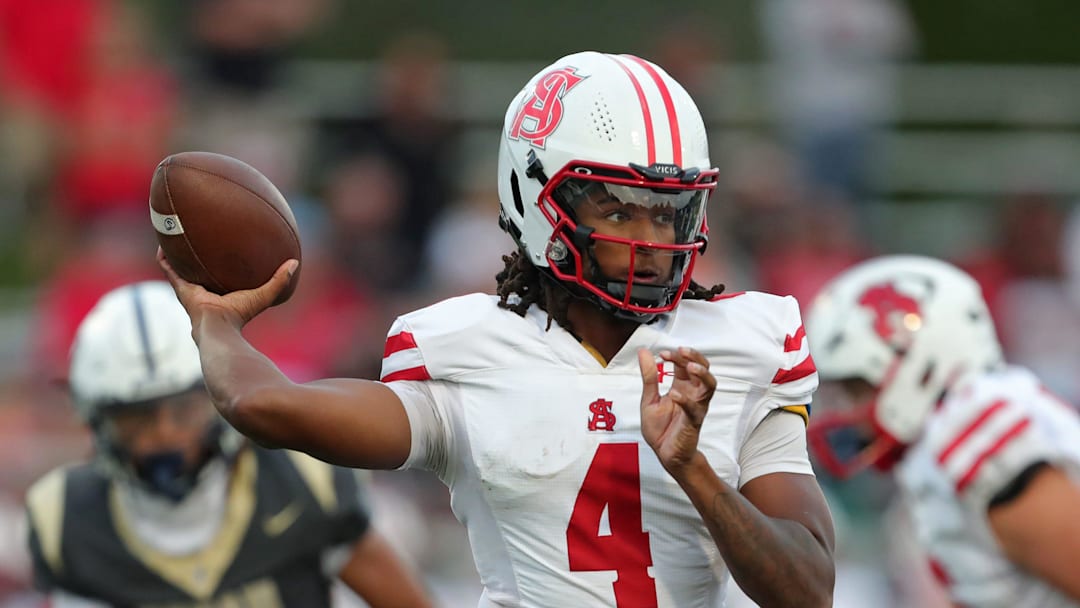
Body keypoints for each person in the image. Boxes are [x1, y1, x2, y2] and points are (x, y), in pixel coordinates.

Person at [159, 51, 836, 607]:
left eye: (667, 212)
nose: (652, 239)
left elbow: (808, 592)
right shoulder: (468, 351)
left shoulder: (741, 345)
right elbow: (263, 406)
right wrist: (216, 325)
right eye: (619, 210)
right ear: (536, 199)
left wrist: (695, 473)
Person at [24, 281, 432, 608]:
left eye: (184, 410)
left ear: (216, 396)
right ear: (98, 420)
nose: (166, 434)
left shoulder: (302, 479)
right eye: (137, 418)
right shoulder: (65, 516)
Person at [804, 255, 1080, 607]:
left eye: (857, 388)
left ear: (920, 362)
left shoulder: (975, 431)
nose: (846, 411)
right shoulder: (942, 441)